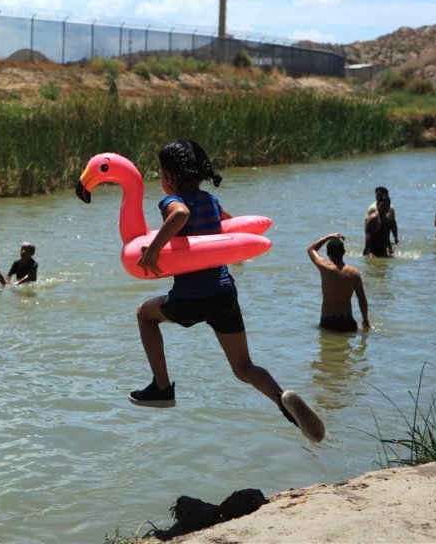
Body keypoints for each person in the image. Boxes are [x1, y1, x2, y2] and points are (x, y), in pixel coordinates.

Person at [128, 138, 325, 443]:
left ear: (167, 176)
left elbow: (180, 215)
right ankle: (283, 400)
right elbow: (232, 229)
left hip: (191, 296)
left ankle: (162, 388)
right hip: (224, 292)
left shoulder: (171, 201)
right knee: (244, 367)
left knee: (145, 314)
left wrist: (154, 250)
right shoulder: (211, 201)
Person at [308, 233, 370, 332]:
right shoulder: (354, 273)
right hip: (347, 321)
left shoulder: (325, 268)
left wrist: (329, 236)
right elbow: (362, 299)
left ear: (328, 253)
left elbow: (311, 249)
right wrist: (365, 320)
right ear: (344, 252)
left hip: (328, 322)